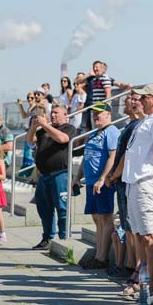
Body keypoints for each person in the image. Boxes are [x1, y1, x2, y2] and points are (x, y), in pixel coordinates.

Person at [121, 84, 153, 305]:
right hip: (133, 181)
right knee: (139, 235)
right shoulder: (147, 120)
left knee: (150, 235)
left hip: (145, 181)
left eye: (144, 98)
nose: (139, 101)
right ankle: (143, 283)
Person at [28, 104, 78, 249]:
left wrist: (45, 125)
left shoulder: (69, 128)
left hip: (60, 174)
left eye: (56, 113)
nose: (53, 115)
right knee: (44, 209)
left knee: (62, 209)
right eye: (52, 113)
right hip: (44, 175)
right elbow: (30, 140)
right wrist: (34, 127)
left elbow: (62, 139)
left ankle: (64, 238)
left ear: (65, 114)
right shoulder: (44, 130)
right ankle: (47, 238)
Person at [77, 104, 120, 269]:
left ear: (108, 114)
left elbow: (112, 156)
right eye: (94, 113)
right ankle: (98, 254)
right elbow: (86, 156)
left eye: (99, 113)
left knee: (105, 218)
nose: (95, 116)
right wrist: (77, 177)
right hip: (90, 181)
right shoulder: (94, 133)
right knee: (96, 218)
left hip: (101, 182)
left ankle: (102, 257)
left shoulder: (112, 132)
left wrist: (103, 178)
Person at [106, 94, 142, 279]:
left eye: (133, 98)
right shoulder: (129, 125)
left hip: (126, 179)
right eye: (129, 98)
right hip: (122, 180)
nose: (128, 101)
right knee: (127, 226)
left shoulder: (137, 126)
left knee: (131, 226)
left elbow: (126, 155)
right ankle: (129, 264)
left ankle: (132, 266)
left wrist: (114, 174)